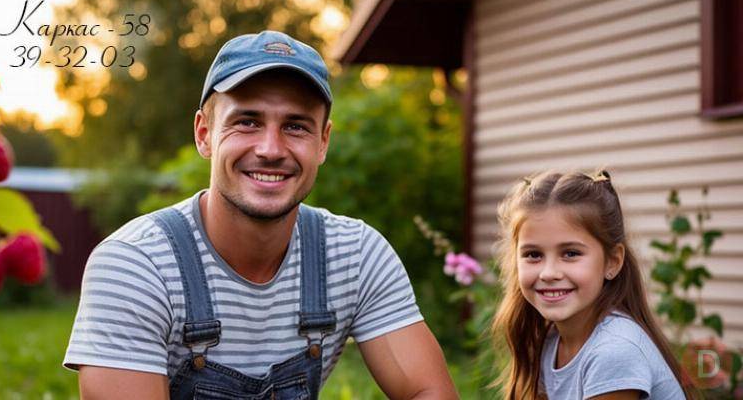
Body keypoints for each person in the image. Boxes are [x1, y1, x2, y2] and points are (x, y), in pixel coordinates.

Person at [62, 30, 457, 399]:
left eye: (296, 126)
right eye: (247, 121)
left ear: (323, 142)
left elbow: (429, 391)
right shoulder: (135, 265)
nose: (271, 148)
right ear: (204, 134)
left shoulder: (355, 255)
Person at [491, 170, 695, 400]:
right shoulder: (551, 340)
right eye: (533, 254)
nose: (548, 273)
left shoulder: (614, 351)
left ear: (612, 262)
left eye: (570, 253)